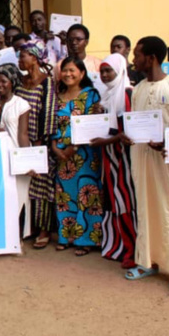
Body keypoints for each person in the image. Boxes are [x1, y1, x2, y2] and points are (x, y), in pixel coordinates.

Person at [127, 36, 169, 287]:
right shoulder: (139, 89)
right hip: (142, 158)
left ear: (151, 58)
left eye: (138, 54)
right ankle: (147, 261)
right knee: (145, 206)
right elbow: (136, 124)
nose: (134, 60)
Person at [51, 58, 103, 256]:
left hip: (84, 154)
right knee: (65, 195)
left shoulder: (90, 95)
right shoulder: (58, 95)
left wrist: (74, 146)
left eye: (72, 70)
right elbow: (51, 124)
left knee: (86, 194)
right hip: (61, 156)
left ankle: (87, 239)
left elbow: (93, 123)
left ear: (82, 73)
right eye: (64, 70)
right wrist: (55, 147)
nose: (67, 74)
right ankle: (66, 236)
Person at [89, 54, 137, 267]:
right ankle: (119, 245)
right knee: (114, 201)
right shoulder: (108, 96)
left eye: (110, 71)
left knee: (126, 201)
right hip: (110, 157)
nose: (106, 75)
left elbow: (131, 132)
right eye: (103, 72)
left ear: (121, 72)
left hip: (124, 159)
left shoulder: (127, 94)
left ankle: (133, 250)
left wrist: (108, 140)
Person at [15, 40, 58, 249]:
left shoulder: (47, 82)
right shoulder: (20, 82)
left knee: (41, 186)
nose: (20, 60)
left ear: (34, 57)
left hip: (39, 141)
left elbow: (49, 111)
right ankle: (27, 228)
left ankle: (44, 229)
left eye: (23, 56)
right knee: (24, 185)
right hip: (20, 140)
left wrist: (42, 141)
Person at [0, 64, 32, 236]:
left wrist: (26, 160)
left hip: (17, 155)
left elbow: (23, 134)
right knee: (2, 197)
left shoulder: (21, 104)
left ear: (12, 82)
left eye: (3, 81)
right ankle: (4, 236)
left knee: (19, 197)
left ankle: (18, 237)